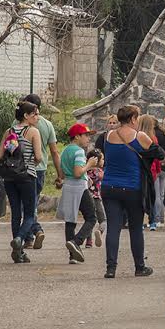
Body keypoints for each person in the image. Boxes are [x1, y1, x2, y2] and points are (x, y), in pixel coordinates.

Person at [101, 105, 160, 279]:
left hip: (109, 186)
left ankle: (111, 268)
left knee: (113, 227)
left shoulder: (109, 135)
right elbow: (160, 154)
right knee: (135, 228)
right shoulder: (139, 136)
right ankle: (139, 267)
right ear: (133, 118)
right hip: (132, 188)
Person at [0, 101, 43, 262]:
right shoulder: (33, 132)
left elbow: (0, 156)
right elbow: (38, 157)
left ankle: (19, 252)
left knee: (16, 213)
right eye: (35, 114)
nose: (37, 117)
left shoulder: (9, 131)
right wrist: (31, 165)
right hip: (27, 176)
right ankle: (19, 239)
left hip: (10, 177)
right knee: (29, 213)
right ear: (26, 116)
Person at [20, 93, 64, 251]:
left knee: (26, 205)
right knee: (32, 203)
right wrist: (60, 174)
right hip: (40, 170)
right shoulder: (47, 125)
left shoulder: (18, 124)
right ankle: (30, 235)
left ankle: (33, 233)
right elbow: (54, 152)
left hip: (22, 169)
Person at [56, 123, 100, 265]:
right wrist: (90, 164)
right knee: (91, 218)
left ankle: (72, 255)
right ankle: (77, 241)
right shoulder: (79, 152)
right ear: (77, 137)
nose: (88, 138)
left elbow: (62, 174)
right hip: (79, 187)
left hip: (67, 186)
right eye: (86, 135)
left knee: (70, 221)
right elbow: (77, 172)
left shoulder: (65, 151)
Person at [138, 114, 165, 230]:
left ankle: (154, 219)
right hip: (162, 167)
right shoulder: (161, 134)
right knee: (161, 195)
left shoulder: (143, 137)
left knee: (153, 195)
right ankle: (160, 219)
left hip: (152, 169)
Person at [84, 148, 105, 248]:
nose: (103, 161)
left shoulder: (85, 171)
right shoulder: (99, 172)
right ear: (96, 160)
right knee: (104, 220)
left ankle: (89, 241)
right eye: (102, 159)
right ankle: (99, 232)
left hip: (87, 198)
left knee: (89, 220)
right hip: (96, 198)